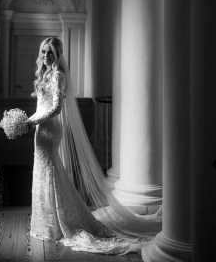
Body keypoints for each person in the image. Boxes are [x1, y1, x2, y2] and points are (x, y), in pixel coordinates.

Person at [24, 37, 161, 255]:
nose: (46, 56)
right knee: (43, 172)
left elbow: (57, 108)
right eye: (43, 52)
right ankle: (47, 221)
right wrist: (28, 120)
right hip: (41, 129)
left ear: (58, 54)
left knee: (49, 172)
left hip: (50, 129)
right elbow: (42, 105)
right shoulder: (44, 74)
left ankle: (59, 222)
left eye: (50, 52)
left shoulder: (58, 75)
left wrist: (33, 121)